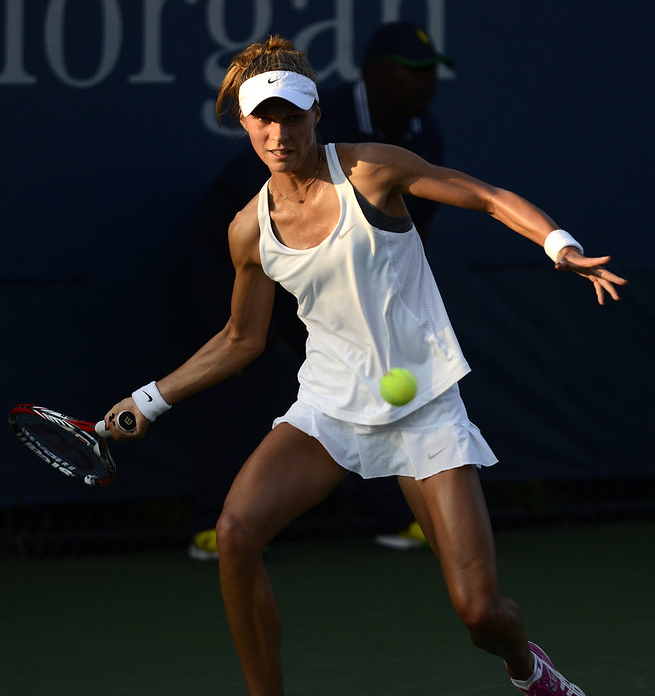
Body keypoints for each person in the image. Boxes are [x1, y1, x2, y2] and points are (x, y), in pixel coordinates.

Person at [103, 35, 626, 695]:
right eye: (263, 118)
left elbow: (486, 196)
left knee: (481, 614)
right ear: (242, 124)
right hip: (329, 405)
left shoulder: (373, 171)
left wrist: (559, 244)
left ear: (316, 112)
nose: (278, 131)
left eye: (292, 115)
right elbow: (241, 338)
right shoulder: (247, 229)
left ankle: (529, 668)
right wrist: (147, 400)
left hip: (425, 406)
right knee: (235, 533)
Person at [186, 22, 454, 559]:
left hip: (335, 261)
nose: (425, 84)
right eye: (412, 73)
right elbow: (264, 207)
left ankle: (392, 515)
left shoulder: (422, 133)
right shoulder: (309, 115)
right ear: (376, 75)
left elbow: (406, 238)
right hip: (241, 250)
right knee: (245, 368)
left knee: (375, 369)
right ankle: (217, 522)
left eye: (430, 73)